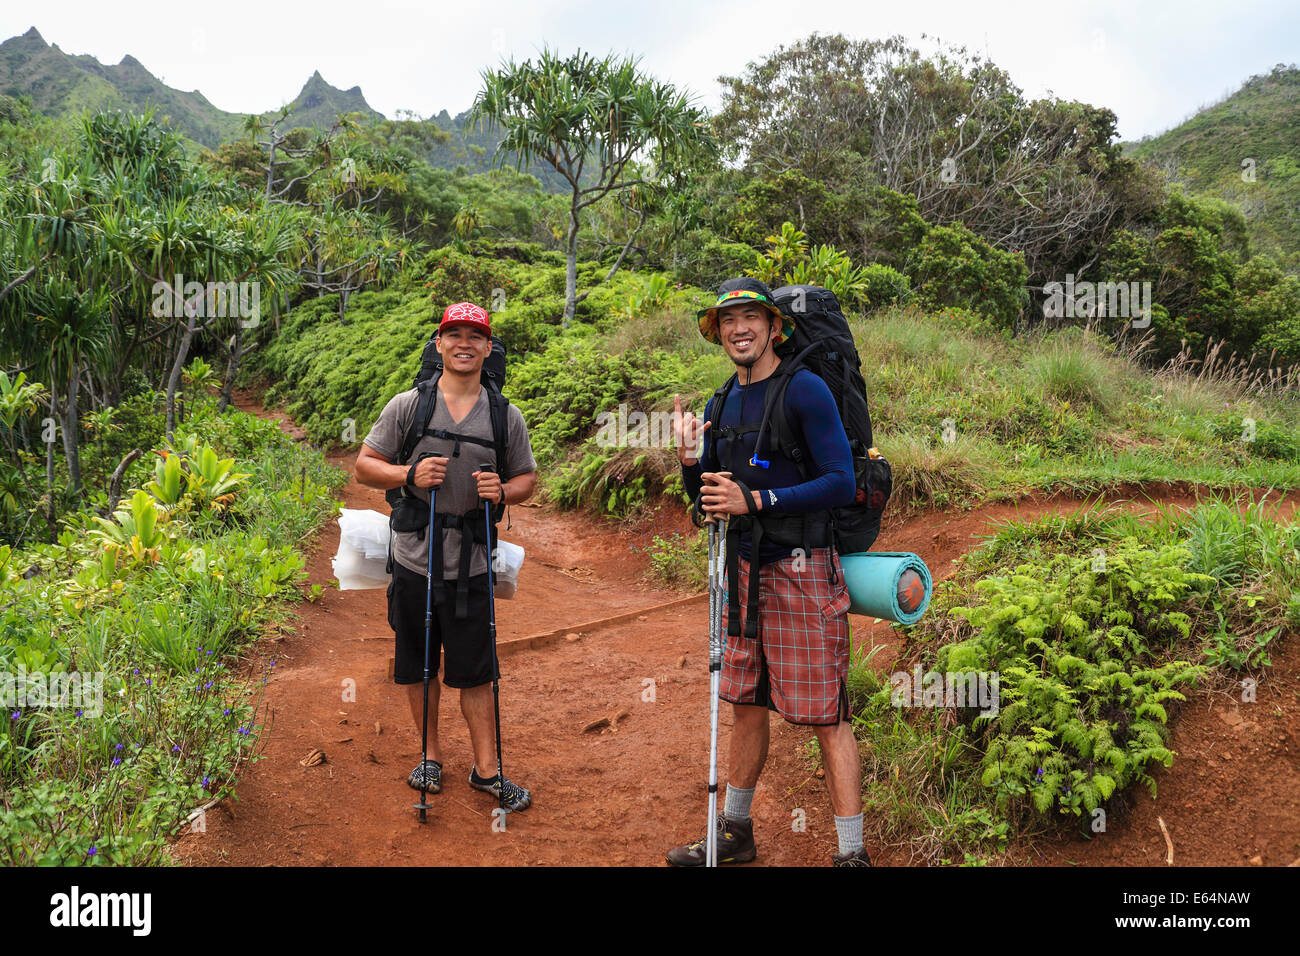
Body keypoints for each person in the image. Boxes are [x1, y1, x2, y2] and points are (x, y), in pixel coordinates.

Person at [667, 276, 871, 867]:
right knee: (747, 702)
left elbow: (842, 481)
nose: (740, 329)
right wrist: (689, 461)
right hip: (744, 575)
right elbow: (708, 500)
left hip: (804, 573)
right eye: (728, 322)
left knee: (825, 713)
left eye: (751, 318)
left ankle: (851, 855)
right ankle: (735, 832)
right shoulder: (721, 401)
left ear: (774, 327)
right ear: (717, 333)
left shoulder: (804, 389)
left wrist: (756, 502)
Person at [356, 301, 538, 812]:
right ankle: (429, 757)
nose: (464, 343)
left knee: (477, 670)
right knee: (418, 664)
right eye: (453, 334)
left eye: (474, 335)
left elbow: (526, 478)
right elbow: (366, 465)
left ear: (487, 347)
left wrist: (503, 490)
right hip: (416, 557)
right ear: (438, 344)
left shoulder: (506, 416)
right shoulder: (408, 406)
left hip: (474, 562)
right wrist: (407, 475)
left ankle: (487, 771)